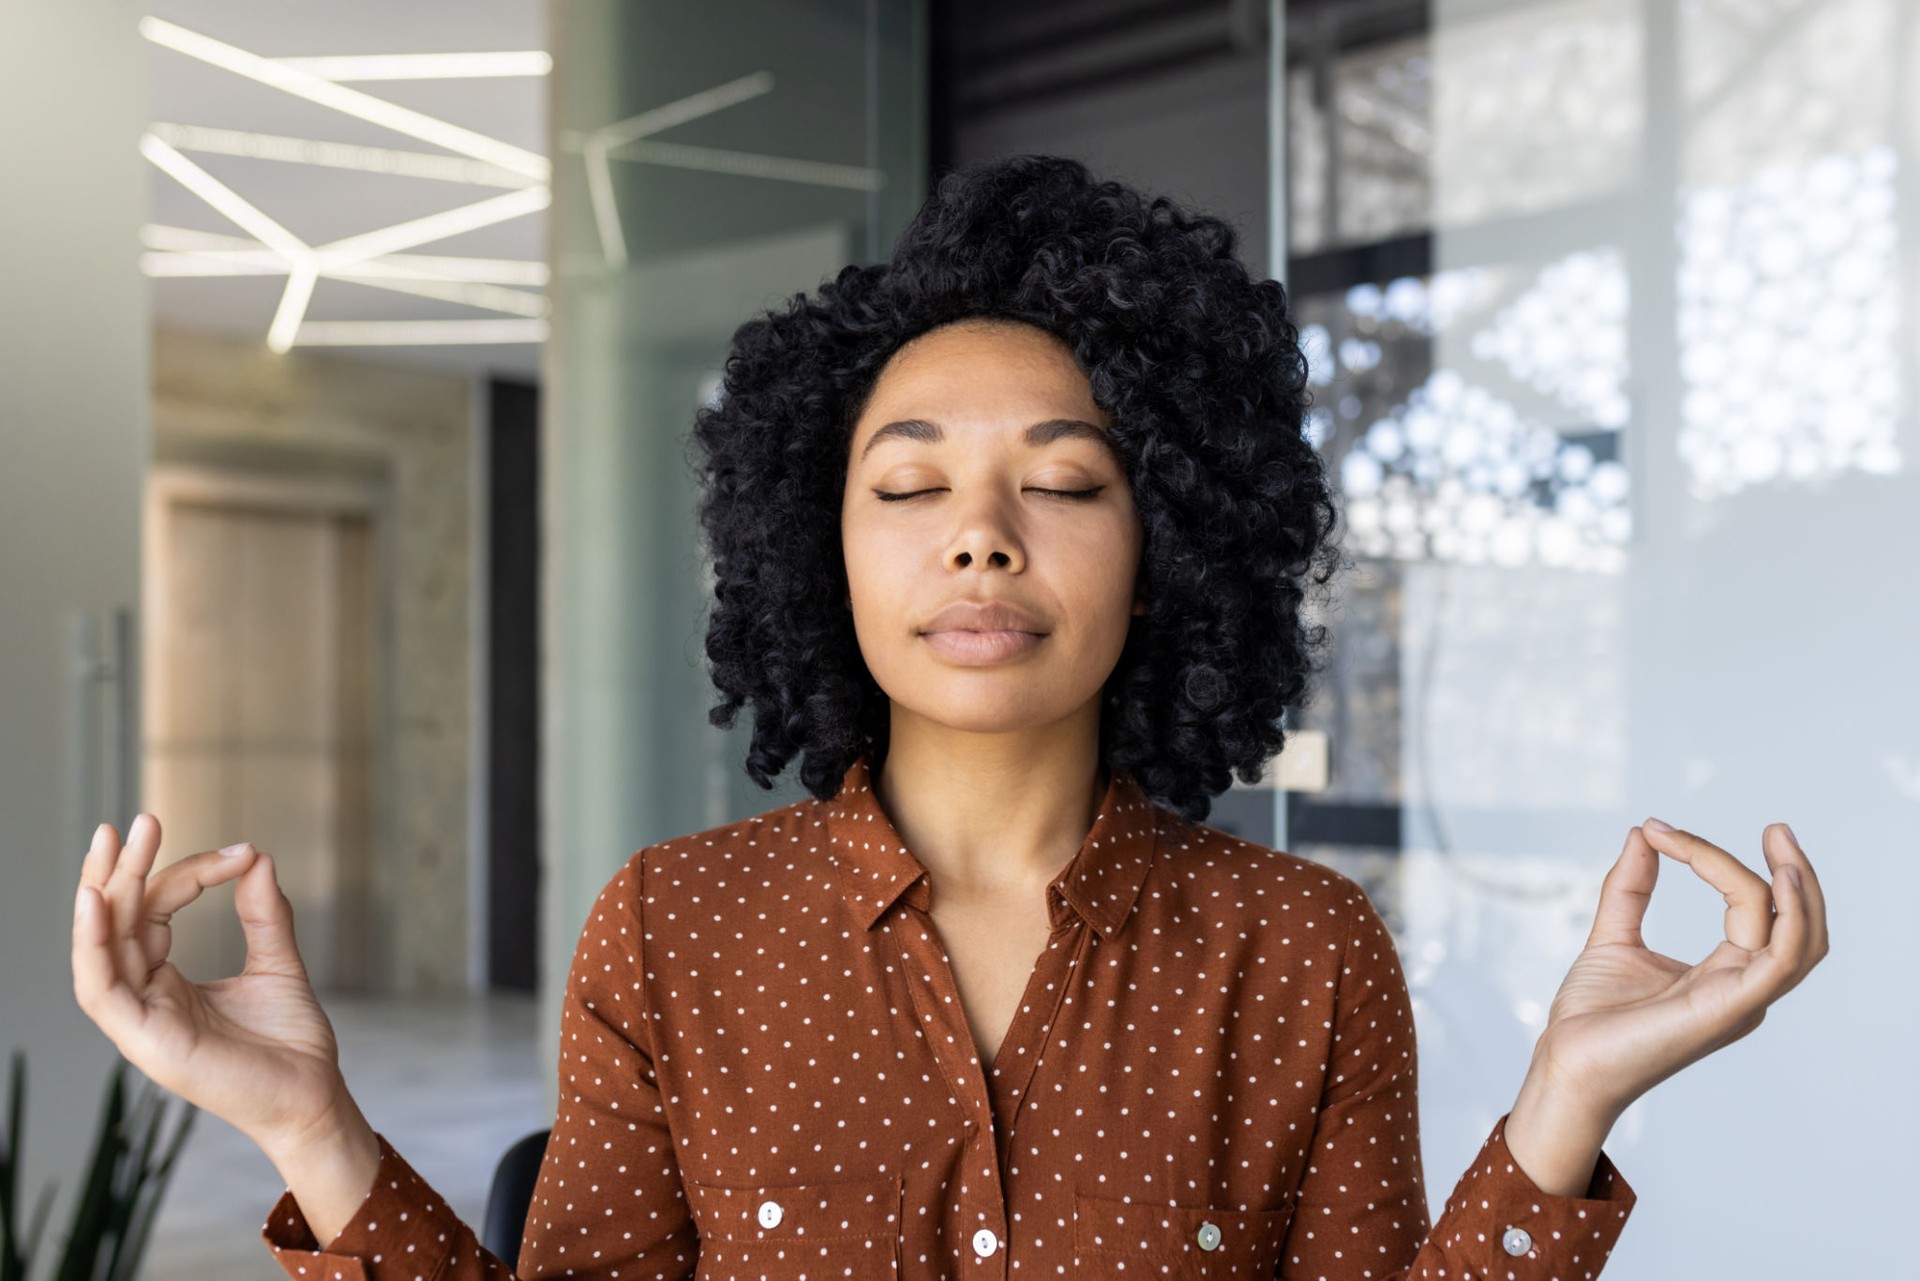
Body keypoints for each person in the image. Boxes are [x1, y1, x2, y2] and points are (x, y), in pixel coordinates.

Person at [70, 154, 1829, 1280]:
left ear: (1171, 547)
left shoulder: (1304, 954)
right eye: (908, 484)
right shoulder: (669, 932)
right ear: (817, 547)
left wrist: (1564, 1104)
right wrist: (311, 1128)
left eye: (1060, 480)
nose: (981, 530)